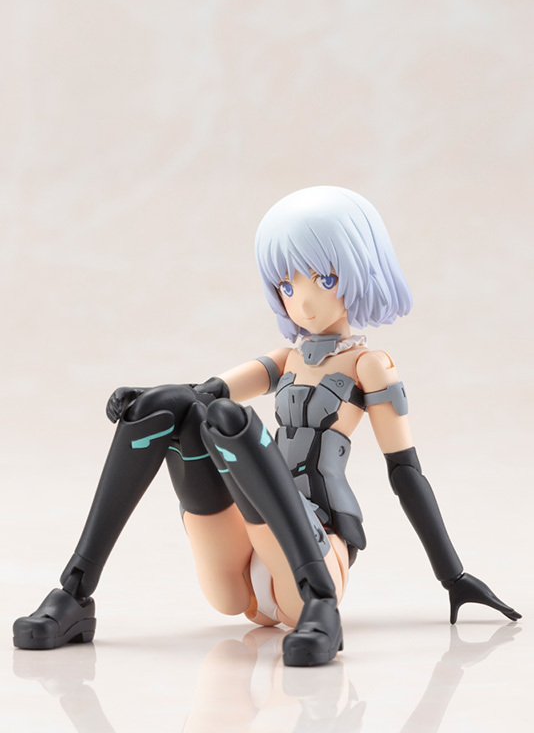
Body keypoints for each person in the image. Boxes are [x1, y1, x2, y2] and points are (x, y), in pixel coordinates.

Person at [13, 186, 520, 667]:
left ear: (360, 270)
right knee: (170, 405)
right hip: (242, 567)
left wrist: (452, 574)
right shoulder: (287, 358)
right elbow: (204, 393)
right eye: (287, 285)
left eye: (324, 279)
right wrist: (144, 399)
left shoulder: (370, 366)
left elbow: (405, 471)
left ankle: (323, 611)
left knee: (229, 420)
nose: (304, 302)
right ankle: (74, 592)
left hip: (315, 558)